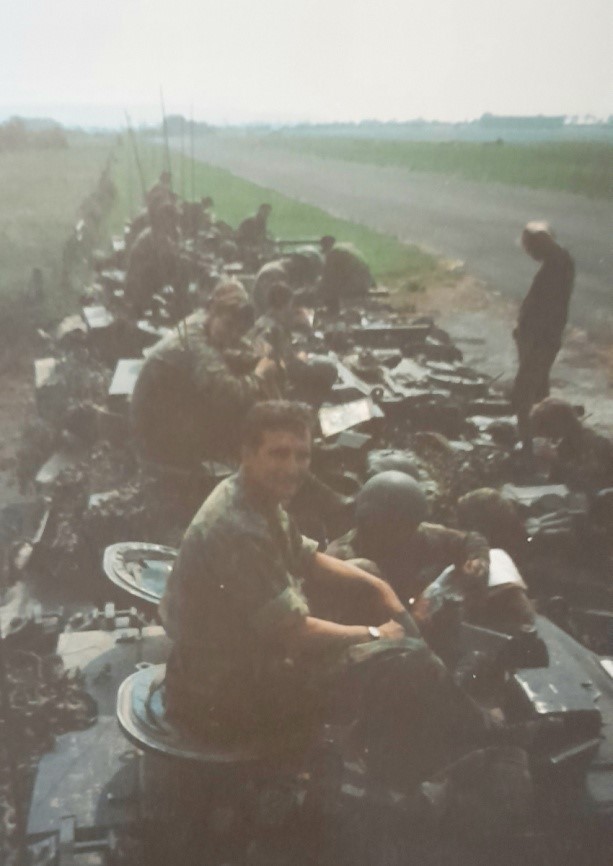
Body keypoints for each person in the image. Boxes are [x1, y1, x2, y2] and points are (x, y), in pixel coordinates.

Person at [159, 401, 533, 807]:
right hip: (230, 694)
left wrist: (378, 586)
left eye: (302, 455)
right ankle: (470, 737)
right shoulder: (239, 529)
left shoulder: (253, 497)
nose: (293, 467)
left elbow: (307, 557)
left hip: (236, 662)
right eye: (279, 454)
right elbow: (296, 633)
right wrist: (377, 634)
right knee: (408, 662)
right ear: (247, 453)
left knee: (363, 572)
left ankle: (415, 719)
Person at [328, 471, 534, 636]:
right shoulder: (343, 557)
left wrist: (476, 559)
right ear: (371, 521)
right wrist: (410, 615)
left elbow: (469, 540)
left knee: (497, 558)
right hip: (377, 635)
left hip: (419, 618)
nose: (407, 533)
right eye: (398, 525)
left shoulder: (418, 535)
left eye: (410, 525)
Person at [130, 279, 277, 469]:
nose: (232, 335)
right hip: (156, 438)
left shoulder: (199, 322)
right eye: (228, 325)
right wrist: (259, 374)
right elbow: (228, 392)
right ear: (214, 312)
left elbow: (221, 354)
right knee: (242, 410)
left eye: (238, 331)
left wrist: (252, 359)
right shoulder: (196, 342)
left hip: (161, 419)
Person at [511, 222, 575, 454]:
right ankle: (543, 440)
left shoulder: (556, 267)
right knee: (538, 389)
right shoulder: (558, 262)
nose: (531, 255)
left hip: (541, 338)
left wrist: (528, 331)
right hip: (541, 336)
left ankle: (530, 442)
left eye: (531, 249)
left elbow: (545, 308)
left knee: (524, 389)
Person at [530, 397, 613, 493]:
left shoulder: (593, 442)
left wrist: (555, 459)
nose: (546, 435)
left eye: (546, 429)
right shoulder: (566, 443)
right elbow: (557, 480)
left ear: (558, 424)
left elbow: (588, 481)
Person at [123, 201, 180, 316]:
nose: (174, 223)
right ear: (165, 220)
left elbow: (171, 250)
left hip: (142, 280)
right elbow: (166, 257)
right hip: (139, 285)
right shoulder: (155, 235)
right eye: (172, 219)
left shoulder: (156, 232)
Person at [319, 235, 376, 315]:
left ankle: (332, 312)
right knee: (332, 285)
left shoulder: (333, 253)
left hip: (357, 283)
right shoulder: (346, 247)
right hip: (366, 280)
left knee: (328, 288)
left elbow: (329, 278)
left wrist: (318, 288)